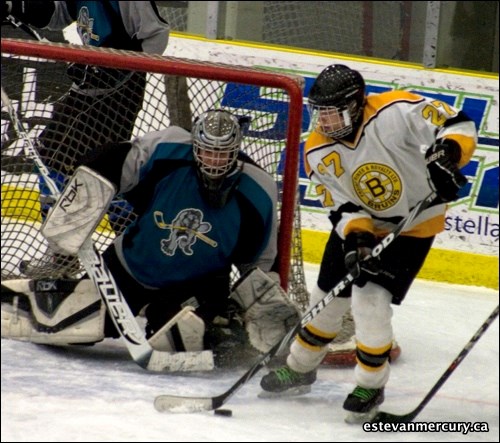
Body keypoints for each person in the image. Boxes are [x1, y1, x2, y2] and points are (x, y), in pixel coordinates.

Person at [259, 64, 477, 422]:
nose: (325, 123)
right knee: (325, 301)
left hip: (413, 225)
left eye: (333, 113)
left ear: (357, 103)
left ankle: (370, 384)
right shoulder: (316, 150)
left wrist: (447, 156)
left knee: (370, 300)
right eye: (320, 114)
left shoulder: (394, 111)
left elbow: (457, 122)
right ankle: (300, 367)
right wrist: (357, 238)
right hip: (359, 226)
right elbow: (341, 204)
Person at [1, 109, 300, 368]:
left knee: (186, 337)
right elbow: (114, 160)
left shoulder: (257, 191)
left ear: (237, 150)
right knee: (81, 329)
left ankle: (213, 326)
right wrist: (80, 208)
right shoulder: (168, 149)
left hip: (196, 284)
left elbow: (259, 262)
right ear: (195, 146)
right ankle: (45, 295)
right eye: (207, 151)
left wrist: (261, 310)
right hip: (132, 265)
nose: (214, 161)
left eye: (222, 153)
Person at [2, 0, 170, 173]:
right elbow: (57, 13)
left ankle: (98, 200)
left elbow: (157, 35)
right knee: (50, 152)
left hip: (120, 93)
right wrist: (15, 6)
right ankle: (56, 200)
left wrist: (113, 66)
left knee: (93, 167)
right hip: (88, 84)